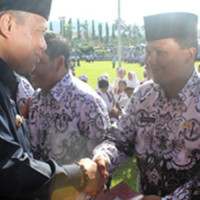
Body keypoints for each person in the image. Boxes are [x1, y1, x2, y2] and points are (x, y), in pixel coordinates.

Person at [0, 1, 105, 199]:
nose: (43, 44)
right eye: (40, 31)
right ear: (7, 25)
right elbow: (8, 170)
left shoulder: (8, 85)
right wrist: (78, 175)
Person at [93, 12, 200, 200]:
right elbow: (119, 140)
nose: (149, 60)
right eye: (148, 52)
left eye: (160, 52)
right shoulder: (143, 95)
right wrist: (103, 158)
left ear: (189, 54)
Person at [28, 31, 111, 174]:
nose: (31, 69)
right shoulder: (36, 98)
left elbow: (101, 163)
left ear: (59, 62)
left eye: (39, 62)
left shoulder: (87, 101)